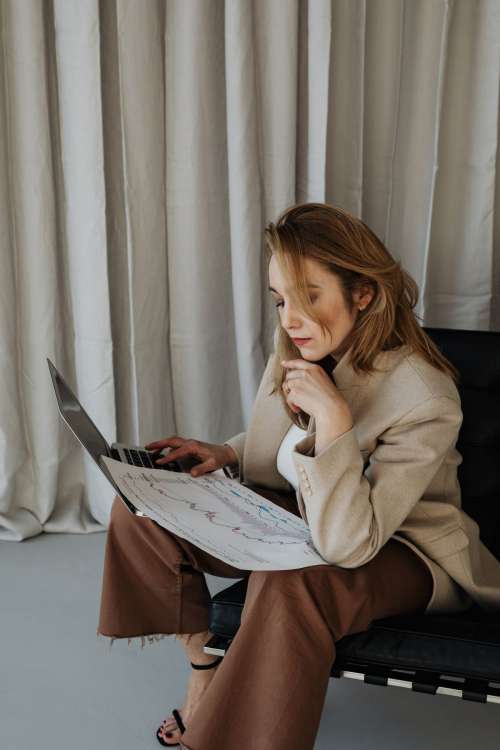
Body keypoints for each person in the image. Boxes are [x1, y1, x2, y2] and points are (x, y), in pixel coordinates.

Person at [97, 202, 480, 750]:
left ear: (363, 293)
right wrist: (227, 453)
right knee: (142, 508)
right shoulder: (301, 351)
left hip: (400, 548)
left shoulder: (424, 394)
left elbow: (351, 542)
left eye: (309, 297)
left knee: (290, 582)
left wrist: (336, 422)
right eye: (280, 300)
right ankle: (204, 662)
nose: (290, 318)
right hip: (299, 517)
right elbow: (281, 449)